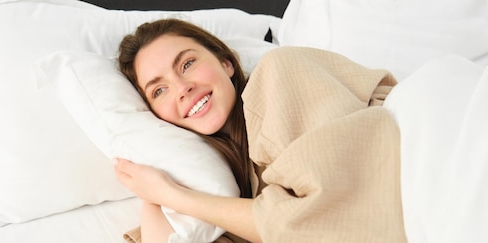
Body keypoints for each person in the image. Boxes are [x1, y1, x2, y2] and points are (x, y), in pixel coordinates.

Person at [115, 19, 407, 243]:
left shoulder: (280, 72)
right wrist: (154, 197)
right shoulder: (225, 181)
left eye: (187, 64)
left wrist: (174, 196)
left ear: (226, 63)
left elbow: (333, 215)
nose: (182, 89)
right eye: (159, 90)